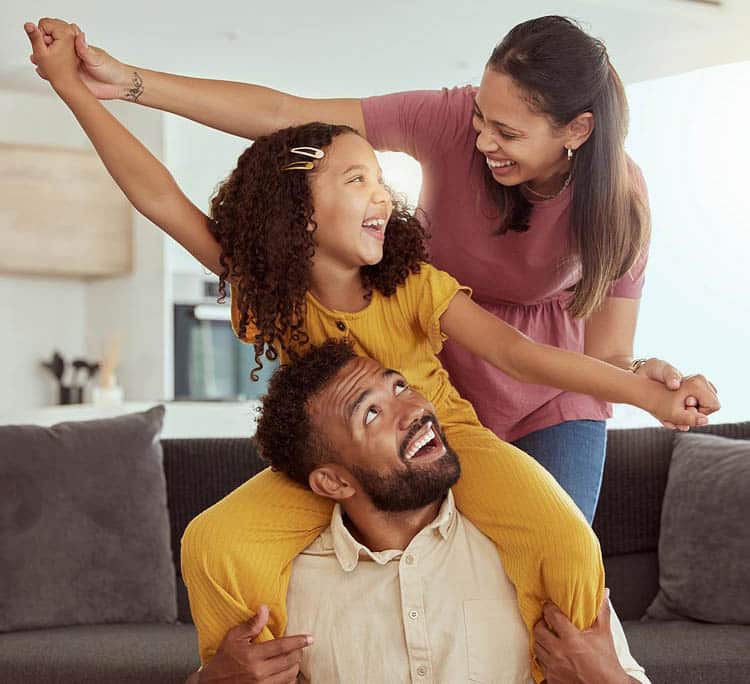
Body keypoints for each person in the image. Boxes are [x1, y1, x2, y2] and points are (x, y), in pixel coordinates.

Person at [25, 20, 717, 682]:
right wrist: (84, 89)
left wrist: (642, 391)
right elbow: (163, 194)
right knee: (213, 543)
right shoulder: (271, 289)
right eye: (357, 181)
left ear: (576, 131)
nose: (384, 195)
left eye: (378, 180)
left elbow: (516, 353)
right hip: (332, 456)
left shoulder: (416, 282)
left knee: (564, 539)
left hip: (454, 433)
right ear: (299, 214)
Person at [183, 339, 649, 683]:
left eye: (400, 386)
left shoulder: (527, 548)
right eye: (371, 414)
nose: (412, 409)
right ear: (334, 481)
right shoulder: (289, 591)